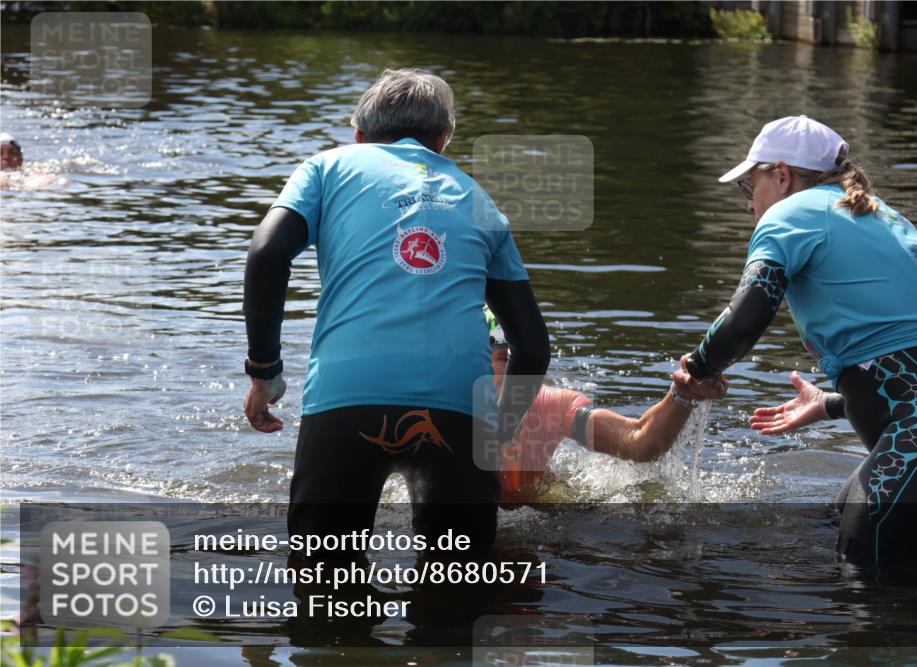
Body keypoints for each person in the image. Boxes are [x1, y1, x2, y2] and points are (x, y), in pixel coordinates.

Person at [241, 69, 550, 559]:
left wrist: (265, 372)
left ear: (360, 135)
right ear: (443, 139)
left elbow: (266, 253)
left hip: (346, 399)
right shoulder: (480, 201)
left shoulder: (327, 168)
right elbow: (532, 346)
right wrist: (497, 435)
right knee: (455, 593)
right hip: (457, 410)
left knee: (325, 583)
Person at [673, 115, 917, 566]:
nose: (751, 206)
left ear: (781, 175)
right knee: (838, 540)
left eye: (751, 188)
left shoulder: (792, 212)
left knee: (865, 581)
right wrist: (832, 403)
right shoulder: (874, 214)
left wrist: (696, 370)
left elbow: (746, 317)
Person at [484, 307, 728, 504]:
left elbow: (637, 442)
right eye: (501, 359)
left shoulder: (552, 406)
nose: (515, 371)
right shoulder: (448, 412)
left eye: (518, 360)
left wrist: (683, 394)